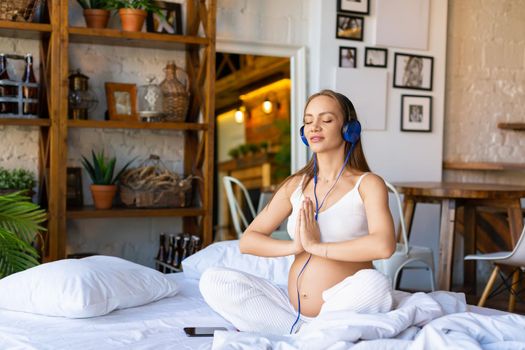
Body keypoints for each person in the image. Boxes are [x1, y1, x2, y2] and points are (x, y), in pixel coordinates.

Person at [200, 89, 396, 335]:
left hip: (343, 306)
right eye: (308, 121)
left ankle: (309, 334)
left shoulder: (368, 184)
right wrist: (295, 247)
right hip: (291, 311)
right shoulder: (296, 184)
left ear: (349, 130)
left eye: (326, 120)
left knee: (375, 284)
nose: (314, 127)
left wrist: (316, 247)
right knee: (213, 279)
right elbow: (249, 240)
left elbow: (384, 245)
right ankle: (304, 335)